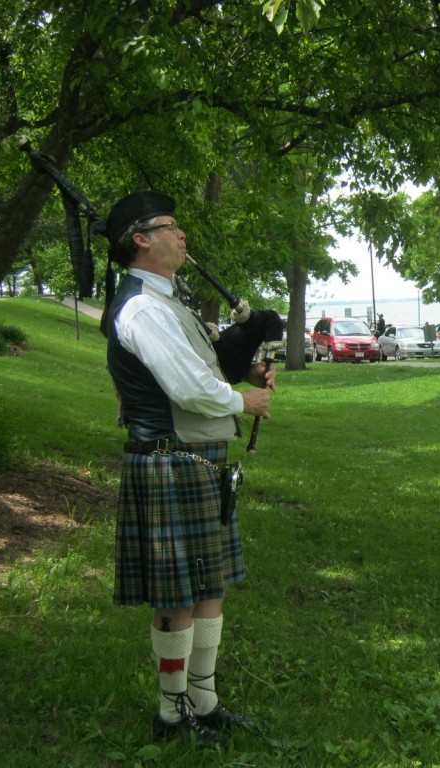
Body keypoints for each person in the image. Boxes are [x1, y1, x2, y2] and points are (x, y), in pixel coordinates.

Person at [101, 191, 275, 748]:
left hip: (198, 462)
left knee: (209, 586)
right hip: (167, 460)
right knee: (176, 597)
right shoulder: (141, 307)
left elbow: (203, 367)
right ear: (140, 240)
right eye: (169, 226)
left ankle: (204, 701)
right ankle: (171, 714)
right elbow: (187, 387)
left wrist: (245, 371)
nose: (182, 235)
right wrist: (240, 402)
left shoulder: (171, 301)